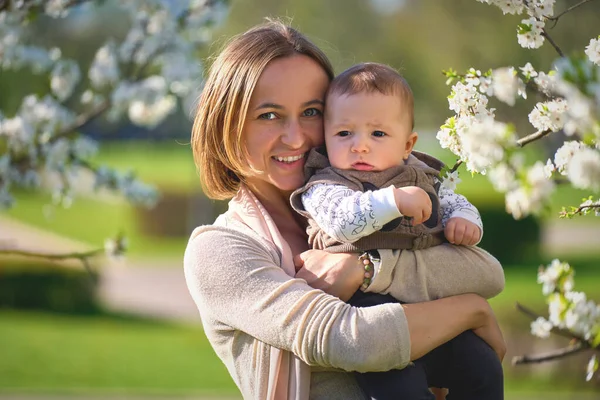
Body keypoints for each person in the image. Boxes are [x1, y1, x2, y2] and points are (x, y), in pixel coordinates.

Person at [184, 20, 506, 400]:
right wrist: (471, 311)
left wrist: (365, 269)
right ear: (227, 125)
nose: (297, 137)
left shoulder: (378, 193)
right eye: (268, 115)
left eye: (311, 112)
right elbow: (352, 340)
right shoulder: (220, 250)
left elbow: (484, 272)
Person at [289, 62, 504, 399]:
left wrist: (465, 222)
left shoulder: (424, 177)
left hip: (434, 308)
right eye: (344, 133)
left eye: (378, 134)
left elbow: (454, 204)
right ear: (326, 137)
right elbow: (344, 221)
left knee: (482, 366)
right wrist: (394, 200)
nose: (360, 145)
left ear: (407, 145)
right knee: (399, 388)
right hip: (371, 315)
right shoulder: (325, 185)